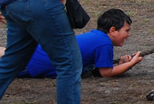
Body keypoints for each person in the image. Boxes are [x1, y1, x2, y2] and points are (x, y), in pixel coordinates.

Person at [10, 9, 143, 80]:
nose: (128, 34)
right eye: (127, 30)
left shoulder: (98, 38)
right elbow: (106, 73)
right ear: (113, 30)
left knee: (4, 59)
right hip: (35, 64)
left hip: (37, 54)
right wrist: (131, 63)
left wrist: (122, 65)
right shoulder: (104, 43)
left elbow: (97, 70)